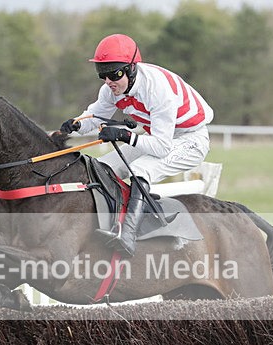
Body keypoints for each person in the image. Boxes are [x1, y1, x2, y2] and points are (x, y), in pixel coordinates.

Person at [59, 33, 214, 257]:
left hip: (190, 140)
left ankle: (129, 235)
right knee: (99, 168)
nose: (108, 81)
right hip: (157, 137)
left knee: (141, 170)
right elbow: (94, 116)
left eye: (114, 74)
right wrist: (76, 125)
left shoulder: (158, 91)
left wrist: (123, 135)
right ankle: (105, 223)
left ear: (132, 69)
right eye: (102, 75)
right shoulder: (111, 89)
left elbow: (161, 146)